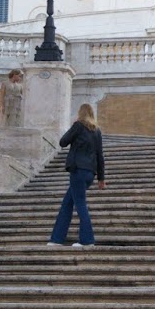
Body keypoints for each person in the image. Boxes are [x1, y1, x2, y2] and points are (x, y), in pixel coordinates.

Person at [47, 103, 105, 249]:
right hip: (90, 173)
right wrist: (101, 179)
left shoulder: (78, 125)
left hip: (78, 170)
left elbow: (63, 142)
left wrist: (73, 127)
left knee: (80, 204)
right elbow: (100, 155)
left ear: (81, 113)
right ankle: (56, 239)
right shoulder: (97, 131)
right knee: (67, 203)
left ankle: (87, 240)